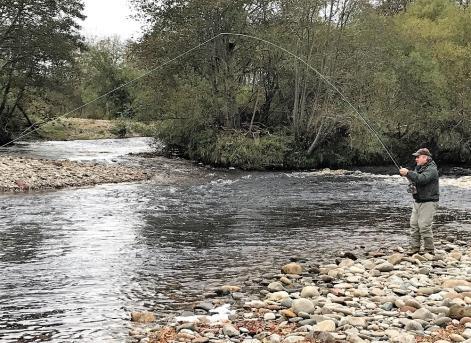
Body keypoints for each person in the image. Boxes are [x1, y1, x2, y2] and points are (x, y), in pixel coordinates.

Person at [399, 148, 439, 255]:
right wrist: (407, 175)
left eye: (418, 157)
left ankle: (429, 251)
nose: (416, 159)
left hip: (429, 202)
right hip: (418, 201)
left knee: (424, 226)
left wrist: (408, 172)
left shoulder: (432, 169)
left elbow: (422, 179)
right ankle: (415, 249)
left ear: (425, 158)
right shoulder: (419, 168)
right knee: (414, 225)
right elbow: (416, 179)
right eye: (416, 157)